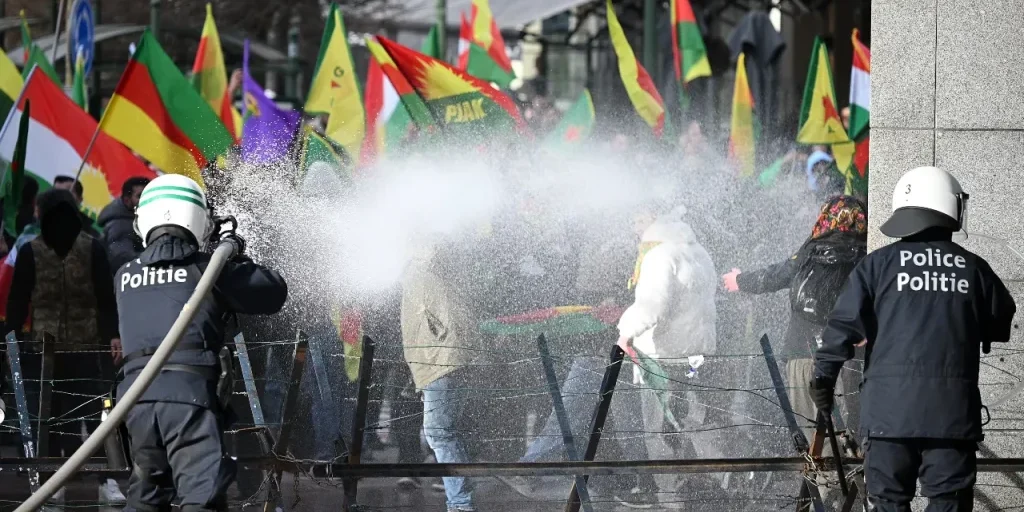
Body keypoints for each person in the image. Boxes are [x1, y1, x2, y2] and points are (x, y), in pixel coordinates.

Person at [810, 167, 1016, 511]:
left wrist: (823, 380)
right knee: (949, 502)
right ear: (949, 207)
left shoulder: (876, 267)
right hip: (951, 418)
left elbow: (840, 328)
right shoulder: (973, 268)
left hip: (888, 417)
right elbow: (1001, 322)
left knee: (889, 502)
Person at [116, 174, 287, 511]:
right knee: (202, 496)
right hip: (189, 400)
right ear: (199, 220)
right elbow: (272, 291)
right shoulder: (210, 270)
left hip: (136, 402)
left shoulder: (125, 274)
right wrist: (231, 250)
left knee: (147, 497)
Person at [4, 188, 125, 505]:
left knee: (95, 415)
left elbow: (105, 297)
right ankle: (52, 481)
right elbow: (19, 298)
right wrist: (11, 334)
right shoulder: (31, 252)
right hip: (43, 350)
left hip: (87, 346)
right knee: (49, 418)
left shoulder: (93, 249)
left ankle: (107, 479)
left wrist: (114, 335)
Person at [722, 195, 868, 436]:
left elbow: (778, 274)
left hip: (802, 354)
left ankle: (822, 473)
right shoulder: (868, 256)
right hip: (849, 360)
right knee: (850, 434)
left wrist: (740, 280)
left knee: (815, 433)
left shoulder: (812, 250)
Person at [98, 176, 150, 271]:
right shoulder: (120, 226)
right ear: (127, 200)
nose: (147, 199)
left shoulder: (134, 218)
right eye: (140, 196)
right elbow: (123, 260)